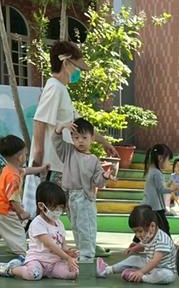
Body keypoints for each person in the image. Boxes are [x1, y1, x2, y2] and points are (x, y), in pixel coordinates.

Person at [22, 40, 116, 214]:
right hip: (50, 165)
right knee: (46, 212)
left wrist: (104, 142)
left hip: (59, 164)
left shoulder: (61, 89)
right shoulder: (55, 88)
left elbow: (80, 124)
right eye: (76, 67)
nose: (77, 72)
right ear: (65, 63)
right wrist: (39, 154)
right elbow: (39, 120)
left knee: (53, 212)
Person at [0, 181, 78, 280]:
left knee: (73, 273)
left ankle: (47, 272)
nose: (57, 211)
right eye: (54, 207)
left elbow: (63, 245)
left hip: (55, 262)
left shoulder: (59, 224)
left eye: (60, 208)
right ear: (41, 206)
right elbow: (51, 245)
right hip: (38, 260)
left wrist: (69, 251)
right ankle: (10, 269)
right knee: (33, 274)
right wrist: (67, 258)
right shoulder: (37, 223)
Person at [52, 118, 105, 262]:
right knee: (75, 226)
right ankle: (82, 252)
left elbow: (99, 181)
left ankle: (87, 256)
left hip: (84, 197)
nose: (80, 141)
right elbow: (56, 141)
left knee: (86, 227)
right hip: (69, 196)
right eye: (76, 137)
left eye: (84, 137)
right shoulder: (68, 151)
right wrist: (62, 126)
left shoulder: (93, 159)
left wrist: (105, 176)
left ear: (92, 138)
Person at [96, 204, 176, 284]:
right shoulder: (149, 235)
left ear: (152, 226)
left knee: (165, 275)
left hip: (164, 269)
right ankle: (107, 270)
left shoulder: (162, 240)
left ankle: (141, 277)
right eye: (135, 232)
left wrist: (141, 272)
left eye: (140, 231)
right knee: (133, 259)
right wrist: (133, 249)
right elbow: (143, 246)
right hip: (150, 265)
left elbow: (155, 261)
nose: (137, 235)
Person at [0, 135, 47, 256]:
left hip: (2, 210)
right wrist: (21, 212)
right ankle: (22, 253)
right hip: (5, 211)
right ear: (19, 157)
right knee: (18, 233)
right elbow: (13, 199)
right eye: (25, 154)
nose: (26, 157)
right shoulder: (13, 177)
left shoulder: (10, 169)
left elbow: (27, 171)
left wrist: (41, 169)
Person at [143, 143, 172, 235]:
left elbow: (158, 187)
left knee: (147, 226)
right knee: (164, 227)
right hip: (155, 206)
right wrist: (173, 189)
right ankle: (169, 242)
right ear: (160, 158)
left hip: (150, 204)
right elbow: (162, 189)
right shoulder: (157, 173)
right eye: (168, 160)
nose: (169, 163)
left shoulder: (151, 171)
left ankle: (136, 241)